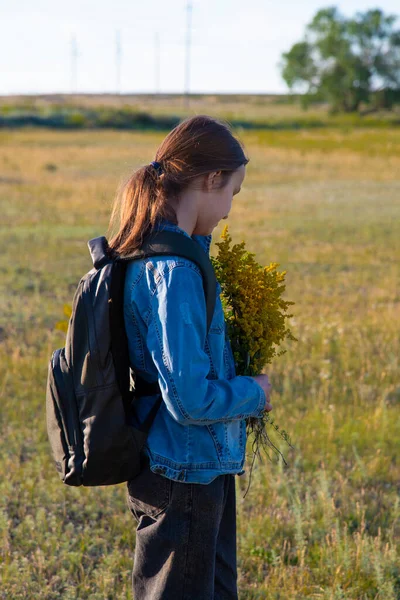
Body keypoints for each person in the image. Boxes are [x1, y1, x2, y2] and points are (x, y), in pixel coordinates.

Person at [107, 114, 272, 599]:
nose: (228, 212)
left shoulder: (171, 253)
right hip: (183, 471)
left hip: (194, 467)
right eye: (231, 195)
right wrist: (253, 393)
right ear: (211, 179)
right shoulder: (171, 271)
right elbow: (189, 398)